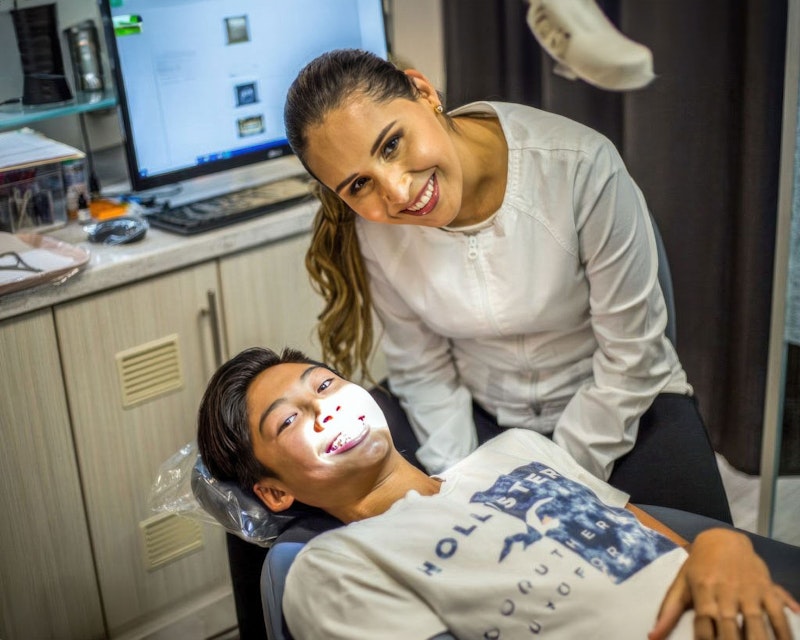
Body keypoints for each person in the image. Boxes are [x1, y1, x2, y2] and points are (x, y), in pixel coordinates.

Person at [282, 48, 732, 522]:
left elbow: (632, 357)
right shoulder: (374, 230)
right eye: (358, 185)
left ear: (423, 92)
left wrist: (551, 481)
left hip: (625, 403)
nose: (396, 192)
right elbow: (422, 366)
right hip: (482, 414)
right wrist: (457, 480)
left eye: (391, 144)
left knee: (695, 570)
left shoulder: (580, 167)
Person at [197, 346, 800, 640]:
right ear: (273, 492)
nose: (324, 408)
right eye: (289, 420)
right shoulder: (333, 569)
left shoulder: (518, 450)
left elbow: (652, 542)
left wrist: (719, 546)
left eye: (325, 384)